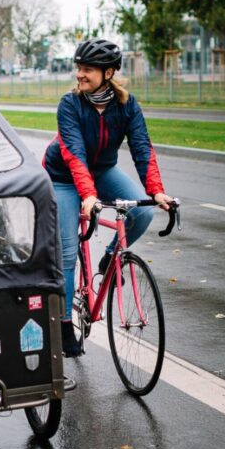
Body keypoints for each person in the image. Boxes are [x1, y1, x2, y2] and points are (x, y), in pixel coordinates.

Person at [42, 39, 174, 357]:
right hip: (63, 177)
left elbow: (142, 147)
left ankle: (110, 261)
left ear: (109, 72)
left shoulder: (127, 105)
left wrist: (155, 190)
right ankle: (62, 326)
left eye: (87, 69)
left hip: (102, 171)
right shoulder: (70, 104)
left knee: (140, 212)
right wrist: (87, 195)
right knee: (67, 251)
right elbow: (73, 154)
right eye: (79, 68)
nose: (80, 75)